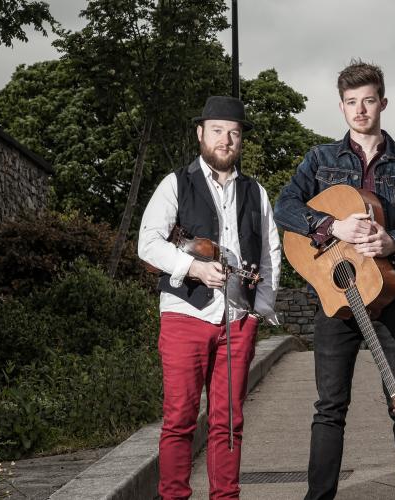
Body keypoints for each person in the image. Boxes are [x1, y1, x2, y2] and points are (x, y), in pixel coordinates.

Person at [274, 60, 395, 500]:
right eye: (351, 102)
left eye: (368, 100)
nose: (360, 110)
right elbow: (283, 206)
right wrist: (331, 226)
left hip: (391, 294)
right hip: (336, 298)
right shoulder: (320, 159)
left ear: (382, 102)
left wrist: (393, 243)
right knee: (329, 407)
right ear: (342, 106)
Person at [138, 95, 282, 500]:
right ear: (201, 134)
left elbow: (270, 255)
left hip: (238, 320)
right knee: (180, 419)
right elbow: (147, 244)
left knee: (228, 422)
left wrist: (258, 311)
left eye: (234, 133)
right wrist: (195, 268)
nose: (226, 139)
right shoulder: (176, 184)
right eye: (217, 130)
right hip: (185, 314)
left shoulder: (256, 192)